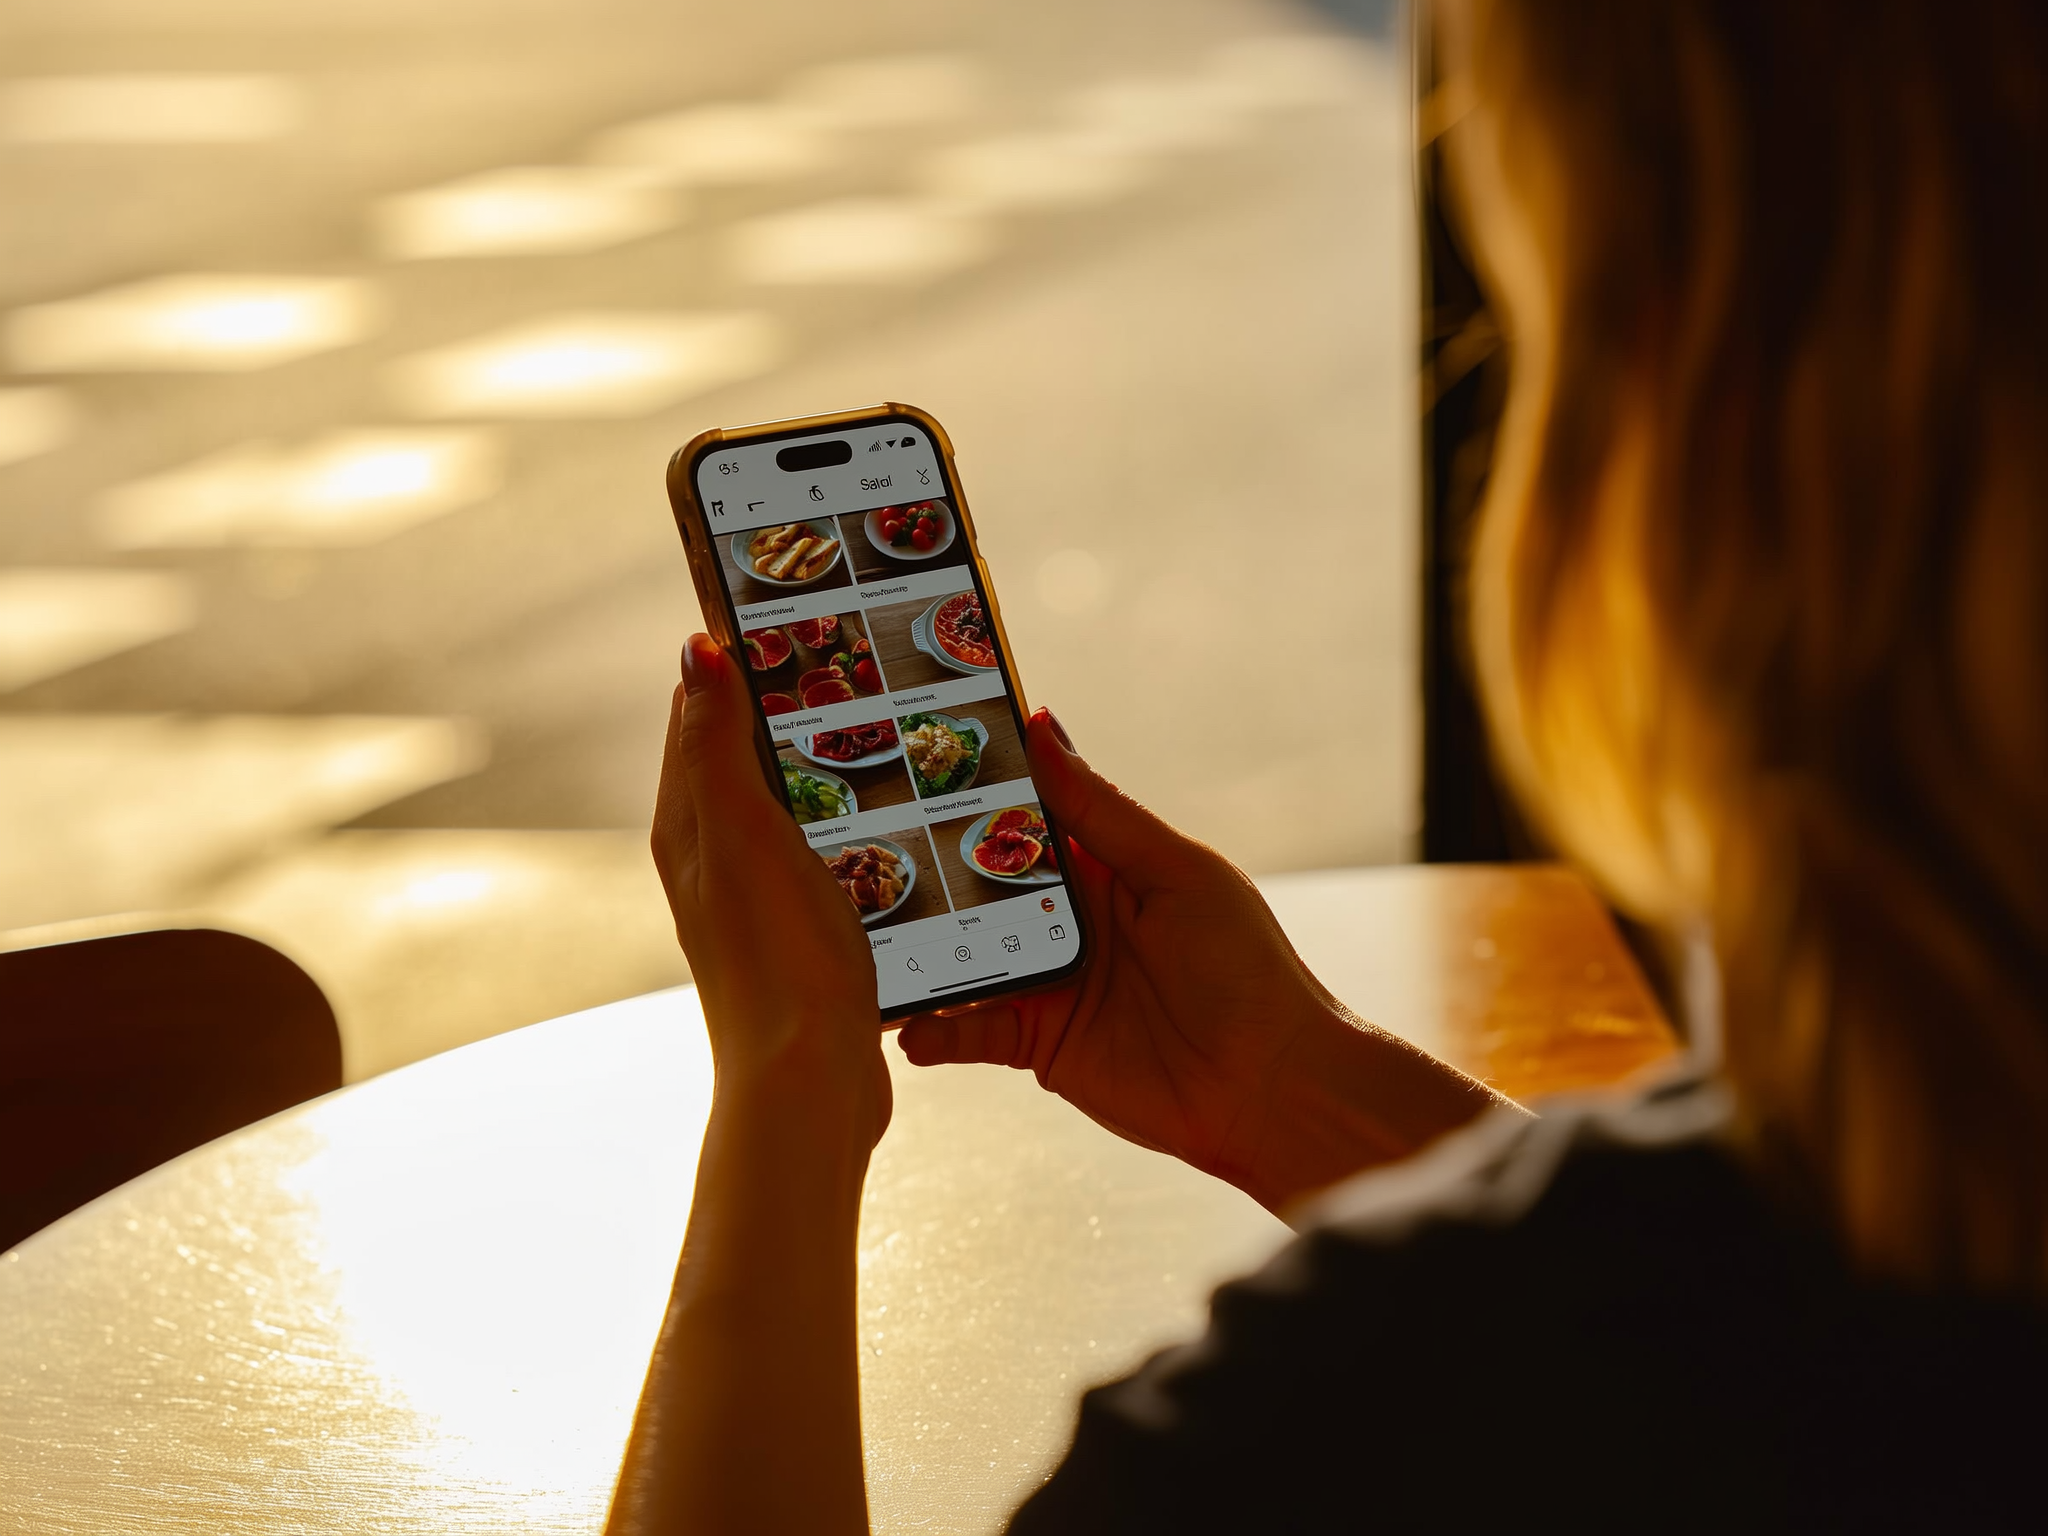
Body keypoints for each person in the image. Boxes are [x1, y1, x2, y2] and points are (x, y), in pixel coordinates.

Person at [606, 1, 2048, 1529]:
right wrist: (1288, 1085)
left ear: (1664, 452)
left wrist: (789, 1086)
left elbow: (1678, 1349)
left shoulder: (1321, 1428)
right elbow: (1766, 1328)